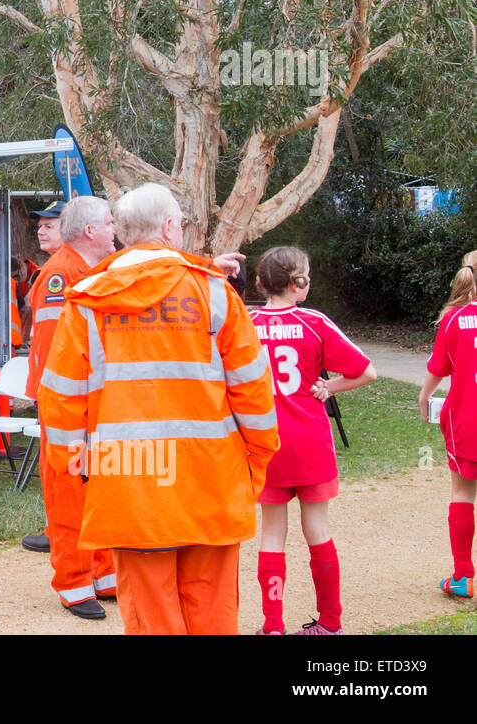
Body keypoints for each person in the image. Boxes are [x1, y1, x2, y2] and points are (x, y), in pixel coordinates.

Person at [39, 183, 278, 634]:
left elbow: (60, 399)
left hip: (127, 482)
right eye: (182, 224)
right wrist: (257, 462)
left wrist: (76, 468)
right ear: (170, 228)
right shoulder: (215, 293)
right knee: (212, 607)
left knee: (150, 613)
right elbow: (253, 392)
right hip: (210, 477)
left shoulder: (88, 301)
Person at [250, 246, 376, 635]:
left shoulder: (245, 322)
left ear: (260, 283)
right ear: (297, 284)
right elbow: (367, 371)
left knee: (271, 533)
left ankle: (273, 625)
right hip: (309, 440)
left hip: (265, 441)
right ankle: (330, 623)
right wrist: (330, 387)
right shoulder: (313, 322)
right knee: (317, 530)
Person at [29, 196, 119, 618]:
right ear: (90, 231)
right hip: (67, 404)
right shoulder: (61, 276)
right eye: (109, 222)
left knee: (97, 491)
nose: (115, 229)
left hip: (94, 401)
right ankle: (74, 584)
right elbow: (52, 355)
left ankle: (104, 574)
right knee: (67, 496)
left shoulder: (91, 270)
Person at [419, 251, 477, 601]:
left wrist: (424, 397)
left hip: (467, 420)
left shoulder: (454, 318)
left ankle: (463, 577)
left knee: (462, 494)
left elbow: (439, 367)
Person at [19, 201, 65, 554]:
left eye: (52, 223)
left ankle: (58, 532)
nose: (42, 228)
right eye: (41, 223)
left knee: (58, 465)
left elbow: (51, 338)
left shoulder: (59, 272)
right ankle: (57, 528)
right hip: (55, 385)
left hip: (59, 387)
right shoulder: (53, 268)